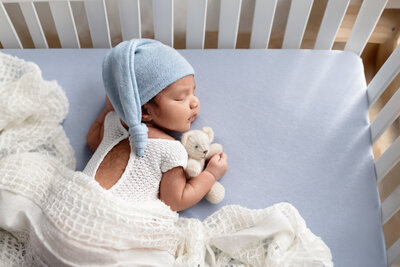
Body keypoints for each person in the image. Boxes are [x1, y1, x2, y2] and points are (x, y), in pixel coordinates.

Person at [84, 38, 228, 211]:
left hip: (78, 204)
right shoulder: (170, 149)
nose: (195, 102)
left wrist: (108, 110)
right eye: (180, 98)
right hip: (115, 219)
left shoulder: (113, 122)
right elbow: (175, 201)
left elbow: (92, 142)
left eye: (193, 91)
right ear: (145, 112)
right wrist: (211, 174)